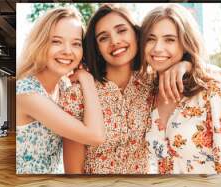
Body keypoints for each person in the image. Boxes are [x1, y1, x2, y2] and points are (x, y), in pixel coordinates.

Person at [58, 4, 192, 174]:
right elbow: (73, 172)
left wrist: (185, 65)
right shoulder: (77, 95)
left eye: (121, 30)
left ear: (136, 35)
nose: (114, 41)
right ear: (97, 48)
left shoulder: (153, 85)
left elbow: (216, 76)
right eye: (103, 38)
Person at [141, 4, 221, 174]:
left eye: (169, 39)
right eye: (150, 38)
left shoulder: (211, 93)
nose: (157, 48)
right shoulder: (144, 95)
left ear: (185, 43)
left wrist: (191, 65)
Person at [16, 6, 105, 174]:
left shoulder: (63, 87)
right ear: (40, 43)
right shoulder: (27, 94)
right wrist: (86, 79)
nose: (67, 51)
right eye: (56, 41)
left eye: (76, 44)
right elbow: (96, 135)